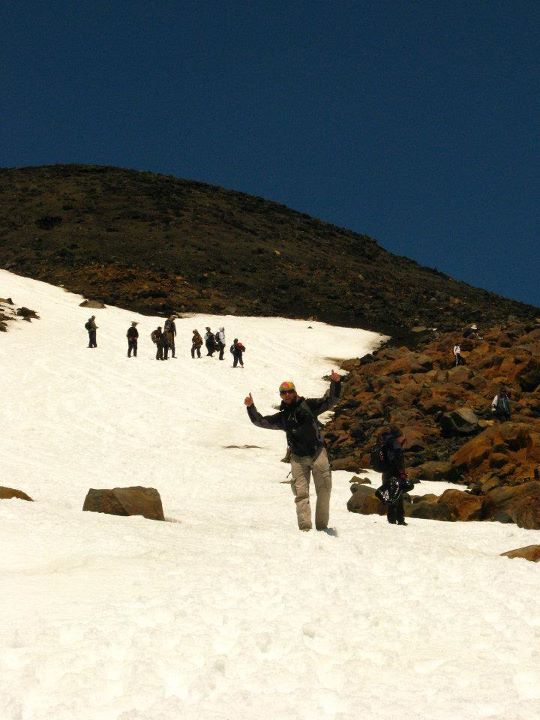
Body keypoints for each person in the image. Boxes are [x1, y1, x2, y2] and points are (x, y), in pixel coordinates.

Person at [244, 371, 342, 532]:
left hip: (318, 453)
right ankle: (305, 530)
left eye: (290, 391)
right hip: (298, 458)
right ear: (281, 396)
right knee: (301, 495)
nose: (288, 395)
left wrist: (336, 383)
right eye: (284, 393)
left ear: (296, 392)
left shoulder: (309, 405)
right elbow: (261, 421)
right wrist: (250, 407)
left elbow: (331, 400)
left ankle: (322, 528)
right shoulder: (283, 417)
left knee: (324, 491)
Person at [375, 426, 409, 526]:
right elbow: (398, 460)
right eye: (403, 437)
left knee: (391, 496)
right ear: (398, 436)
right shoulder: (395, 445)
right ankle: (398, 520)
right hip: (395, 473)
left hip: (386, 473)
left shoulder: (386, 443)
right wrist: (402, 473)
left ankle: (393, 519)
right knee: (397, 496)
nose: (404, 439)